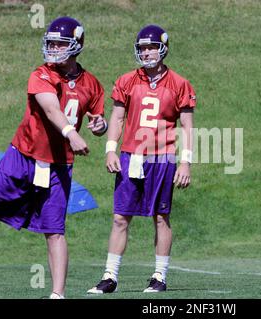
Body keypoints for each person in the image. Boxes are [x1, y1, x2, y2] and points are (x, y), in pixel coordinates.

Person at [0, 16, 108, 299]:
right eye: (50, 42)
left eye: (59, 43)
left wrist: (98, 126)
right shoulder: (41, 74)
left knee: (55, 229)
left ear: (76, 46)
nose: (53, 48)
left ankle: (57, 294)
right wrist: (72, 133)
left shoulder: (91, 83)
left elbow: (97, 118)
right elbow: (52, 109)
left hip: (58, 166)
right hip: (23, 158)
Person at [87, 24, 196, 294]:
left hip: (162, 157)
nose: (146, 52)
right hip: (131, 156)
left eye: (151, 47)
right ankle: (110, 276)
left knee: (161, 216)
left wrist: (185, 162)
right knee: (120, 217)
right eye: (142, 48)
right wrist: (110, 149)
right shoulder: (127, 80)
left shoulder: (179, 83)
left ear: (163, 48)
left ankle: (159, 275)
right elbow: (117, 116)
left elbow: (187, 127)